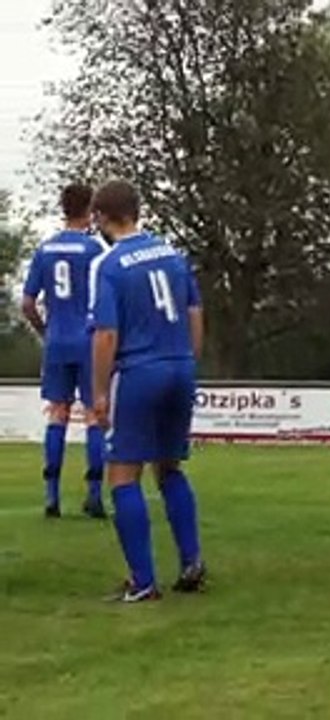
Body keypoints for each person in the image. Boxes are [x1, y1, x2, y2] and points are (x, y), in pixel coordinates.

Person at [88, 179, 205, 602]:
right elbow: (194, 312)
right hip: (180, 366)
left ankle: (142, 582)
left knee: (122, 474)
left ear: (101, 217)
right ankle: (192, 561)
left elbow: (105, 335)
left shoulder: (110, 264)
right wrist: (189, 360)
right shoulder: (173, 254)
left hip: (139, 371)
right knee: (170, 466)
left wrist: (100, 393)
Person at [22, 183, 110, 519]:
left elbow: (28, 303)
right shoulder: (96, 250)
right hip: (89, 341)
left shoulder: (45, 250)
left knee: (57, 413)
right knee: (93, 415)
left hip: (57, 339)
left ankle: (52, 495)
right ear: (90, 211)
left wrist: (45, 331)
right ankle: (93, 494)